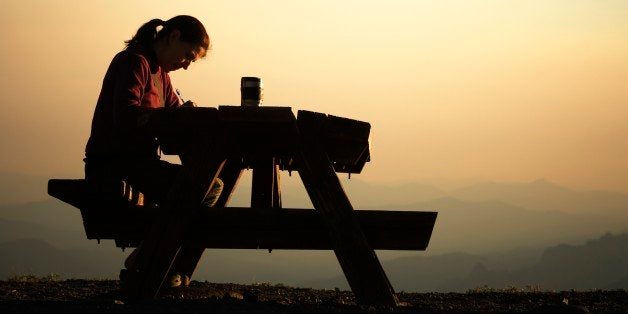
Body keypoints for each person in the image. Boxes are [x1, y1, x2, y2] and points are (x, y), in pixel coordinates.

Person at [84, 15, 222, 286]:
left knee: (206, 187)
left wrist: (184, 114)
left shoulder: (161, 75)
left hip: (137, 164)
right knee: (208, 187)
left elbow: (173, 116)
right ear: (173, 36)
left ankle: (154, 261)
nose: (185, 66)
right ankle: (151, 261)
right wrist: (174, 117)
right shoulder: (134, 62)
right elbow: (125, 115)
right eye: (187, 56)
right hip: (116, 164)